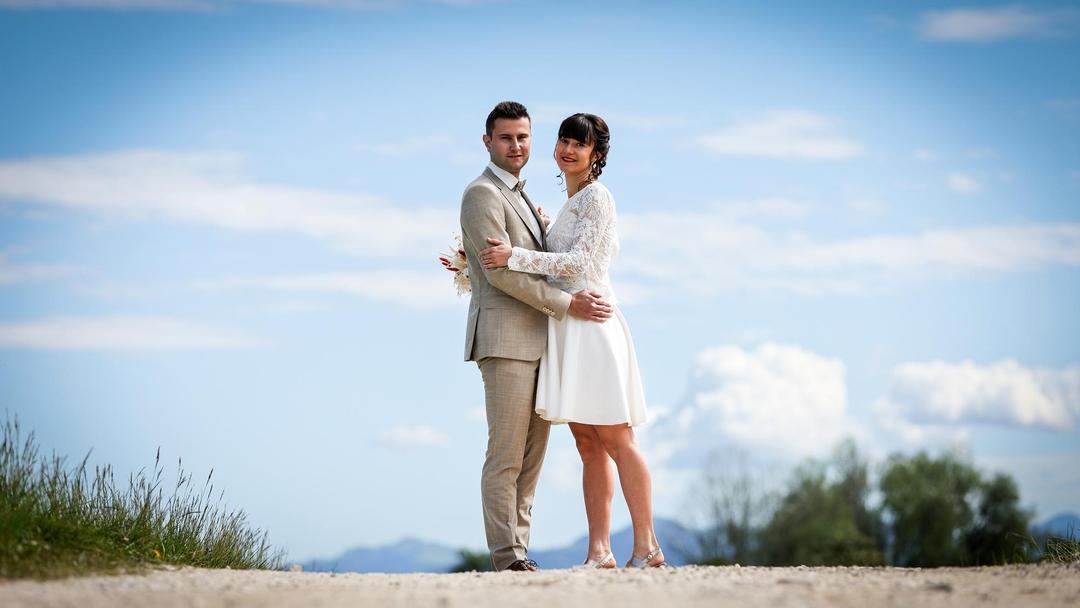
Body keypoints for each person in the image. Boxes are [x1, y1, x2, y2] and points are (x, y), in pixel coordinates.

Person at [479, 112, 670, 569]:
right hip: (567, 326)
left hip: (592, 323)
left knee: (617, 437)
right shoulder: (570, 202)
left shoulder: (597, 197)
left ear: (596, 154)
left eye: (579, 145)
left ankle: (647, 545)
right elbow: (561, 258)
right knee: (587, 443)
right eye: (564, 141)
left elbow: (580, 261)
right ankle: (599, 551)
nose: (568, 150)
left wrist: (515, 255)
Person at [459, 101, 613, 572]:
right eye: (506, 137)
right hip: (505, 339)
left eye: (523, 137)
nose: (516, 145)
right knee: (505, 454)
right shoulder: (482, 194)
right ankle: (506, 556)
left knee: (532, 460)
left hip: (545, 341)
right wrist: (569, 304)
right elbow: (502, 274)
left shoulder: (525, 197)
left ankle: (519, 552)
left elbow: (543, 256)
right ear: (488, 141)